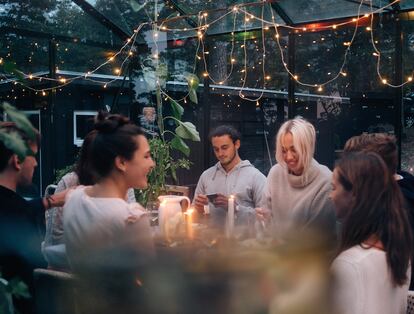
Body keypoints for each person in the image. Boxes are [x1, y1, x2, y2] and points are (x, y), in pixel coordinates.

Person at [63, 113, 155, 314]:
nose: (152, 163)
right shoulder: (131, 217)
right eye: (147, 156)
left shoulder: (73, 199)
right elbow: (151, 284)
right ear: (121, 162)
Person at [330, 151, 412, 314]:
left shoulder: (348, 266)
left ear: (353, 194)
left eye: (333, 188)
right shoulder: (400, 254)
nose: (330, 196)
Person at [0, 121, 67, 314]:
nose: (36, 163)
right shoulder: (21, 220)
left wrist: (49, 201)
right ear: (17, 160)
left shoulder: (16, 209)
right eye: (34, 156)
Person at [44, 130, 136, 247]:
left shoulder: (123, 182)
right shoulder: (69, 183)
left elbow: (132, 230)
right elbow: (55, 237)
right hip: (69, 261)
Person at [257, 117, 336, 244]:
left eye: (294, 149)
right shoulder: (276, 172)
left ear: (308, 147)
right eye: (283, 150)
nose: (288, 157)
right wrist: (262, 218)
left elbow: (315, 240)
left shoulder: (325, 181)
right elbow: (264, 216)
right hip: (276, 252)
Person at [193, 125, 266, 229]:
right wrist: (199, 209)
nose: (220, 153)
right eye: (216, 149)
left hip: (245, 243)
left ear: (237, 144)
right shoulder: (206, 176)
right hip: (211, 241)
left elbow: (267, 218)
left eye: (224, 148)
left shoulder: (255, 177)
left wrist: (234, 207)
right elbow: (193, 216)